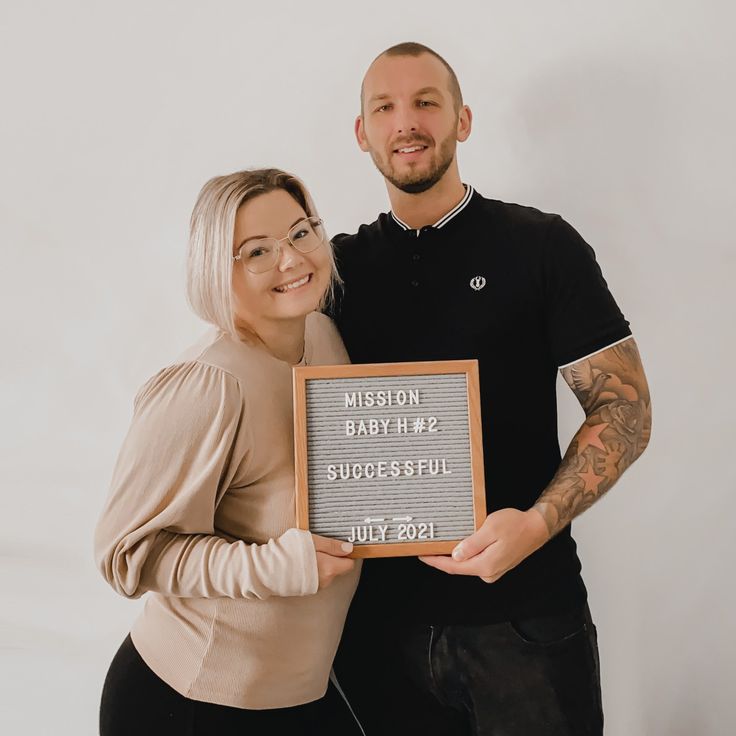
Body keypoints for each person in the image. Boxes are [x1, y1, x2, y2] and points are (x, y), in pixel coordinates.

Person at [330, 42, 652, 736]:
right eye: (384, 107)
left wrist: (535, 524)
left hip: (526, 619)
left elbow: (624, 405)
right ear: (362, 133)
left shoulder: (540, 246)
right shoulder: (331, 273)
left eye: (426, 102)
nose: (405, 122)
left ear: (463, 120)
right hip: (372, 634)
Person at [94, 168, 362, 735]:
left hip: (303, 693)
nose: (291, 260)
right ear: (218, 270)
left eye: (300, 232)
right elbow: (124, 555)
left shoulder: (324, 338)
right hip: (190, 705)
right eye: (256, 251)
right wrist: (276, 567)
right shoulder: (208, 385)